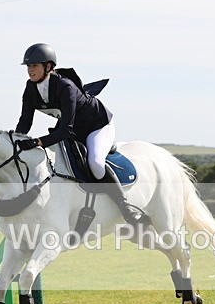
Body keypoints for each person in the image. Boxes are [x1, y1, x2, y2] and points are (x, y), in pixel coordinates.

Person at [14, 43, 149, 226]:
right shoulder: (30, 88)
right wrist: (16, 141)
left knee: (95, 163)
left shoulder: (65, 86)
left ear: (48, 66)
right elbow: (25, 121)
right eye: (29, 66)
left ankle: (126, 207)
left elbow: (65, 130)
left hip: (97, 127)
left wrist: (38, 142)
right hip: (74, 130)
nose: (30, 70)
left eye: (35, 65)